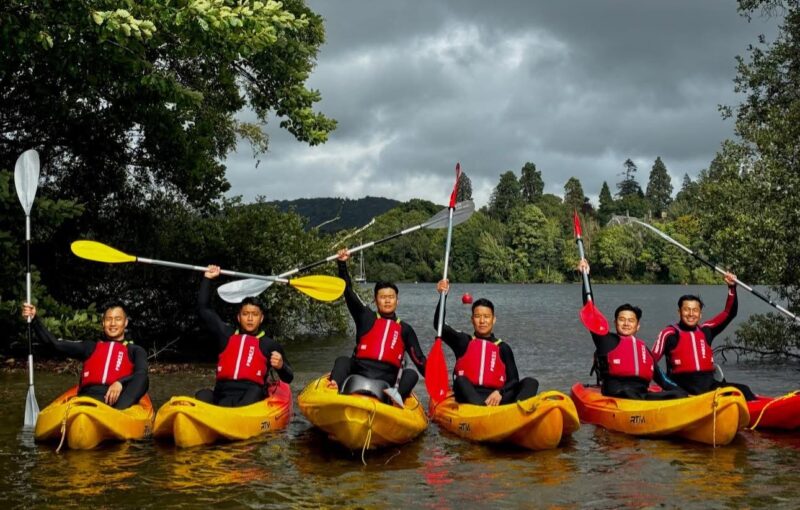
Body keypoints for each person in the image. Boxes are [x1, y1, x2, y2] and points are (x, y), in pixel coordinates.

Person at [577, 259, 687, 400]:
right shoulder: (606, 340)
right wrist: (586, 276)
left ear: (637, 326)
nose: (626, 324)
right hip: (618, 395)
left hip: (641, 395)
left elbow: (663, 380)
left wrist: (683, 394)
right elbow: (590, 310)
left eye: (631, 320)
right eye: (622, 320)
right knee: (630, 394)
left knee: (679, 394)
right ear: (615, 322)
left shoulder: (644, 350)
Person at [327, 249, 426, 403]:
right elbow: (348, 292)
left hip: (388, 377)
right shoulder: (365, 316)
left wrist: (437, 381)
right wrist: (342, 264)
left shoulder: (405, 329)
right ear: (375, 300)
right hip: (360, 370)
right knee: (342, 360)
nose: (387, 301)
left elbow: (419, 360)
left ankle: (394, 399)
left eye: (391, 297)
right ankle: (334, 387)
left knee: (411, 374)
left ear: (397, 301)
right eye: (383, 297)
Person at [196, 265, 293, 407]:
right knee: (202, 395)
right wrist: (207, 279)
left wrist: (281, 366)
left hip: (251, 395)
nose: (249, 318)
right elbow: (203, 309)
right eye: (245, 314)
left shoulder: (269, 345)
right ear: (238, 317)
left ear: (261, 318)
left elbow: (289, 377)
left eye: (254, 315)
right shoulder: (226, 335)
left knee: (255, 391)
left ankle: (236, 419)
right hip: (223, 393)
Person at [21, 302, 149, 409]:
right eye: (109, 319)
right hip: (87, 399)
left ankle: (118, 416)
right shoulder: (90, 347)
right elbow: (55, 345)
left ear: (125, 323)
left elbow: (141, 374)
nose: (113, 324)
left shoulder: (135, 350)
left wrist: (120, 383)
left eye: (118, 319)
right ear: (103, 323)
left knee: (144, 379)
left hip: (118, 402)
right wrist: (34, 320)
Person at [651, 271, 757, 400]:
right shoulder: (669, 333)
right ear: (679, 312)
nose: (691, 314)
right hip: (681, 388)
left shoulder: (707, 330)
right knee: (679, 394)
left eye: (695, 310)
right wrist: (665, 384)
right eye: (686, 309)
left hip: (708, 385)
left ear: (700, 314)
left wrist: (732, 287)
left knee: (744, 390)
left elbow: (729, 313)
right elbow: (650, 362)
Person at [434, 279, 539, 406]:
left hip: (496, 397)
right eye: (478, 316)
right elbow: (439, 325)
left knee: (531, 382)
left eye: (486, 317)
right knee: (460, 380)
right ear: (472, 320)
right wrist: (443, 296)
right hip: (469, 396)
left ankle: (516, 412)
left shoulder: (503, 347)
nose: (482, 321)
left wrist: (500, 392)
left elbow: (514, 380)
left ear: (493, 320)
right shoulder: (463, 341)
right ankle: (482, 410)